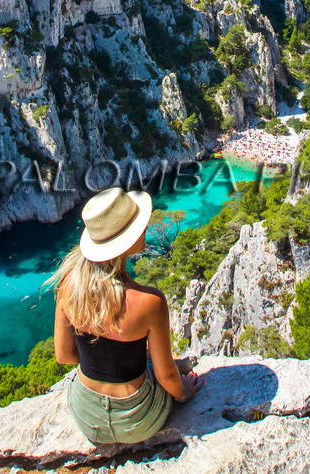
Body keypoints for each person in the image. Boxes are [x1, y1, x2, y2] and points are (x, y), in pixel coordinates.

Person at [51, 187, 200, 445]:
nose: (145, 228)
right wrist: (184, 394)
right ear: (125, 243)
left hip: (87, 416)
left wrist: (107, 359)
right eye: (138, 225)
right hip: (138, 421)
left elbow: (64, 356)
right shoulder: (150, 302)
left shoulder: (68, 288)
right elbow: (166, 376)